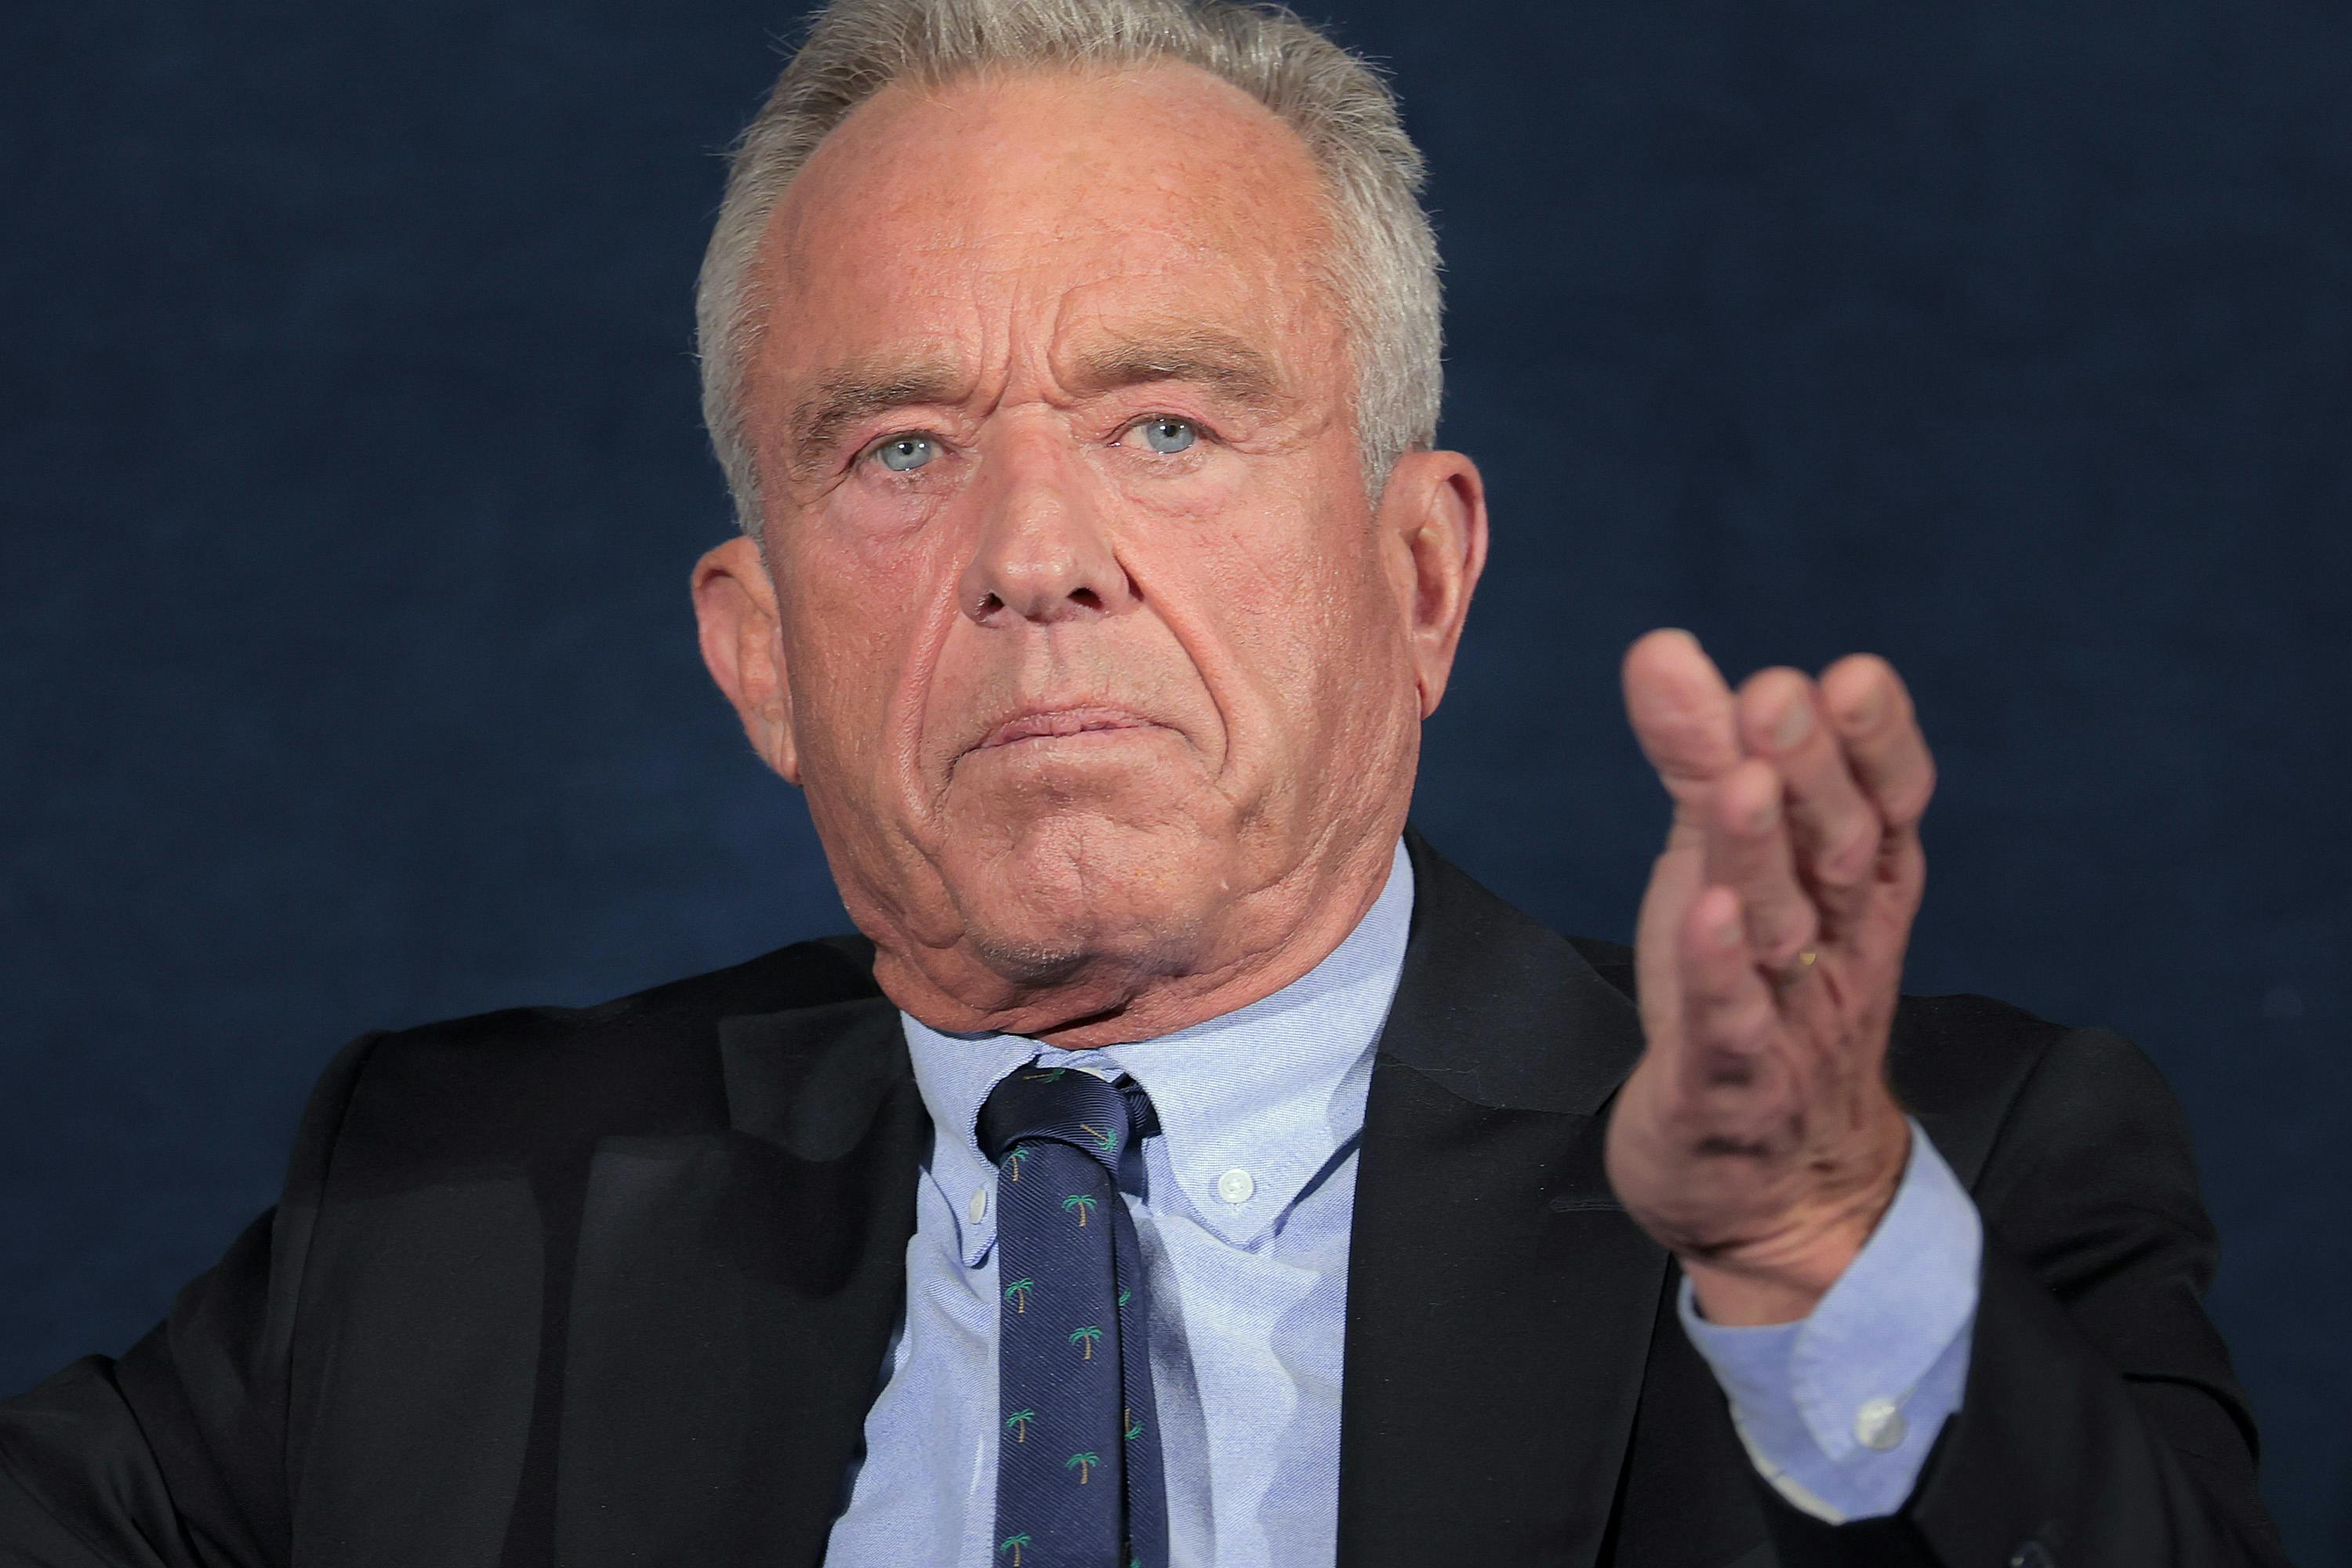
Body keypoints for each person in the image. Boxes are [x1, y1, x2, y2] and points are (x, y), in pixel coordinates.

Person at [0, 2, 2291, 1564]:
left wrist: (1807, 1252)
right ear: (758, 648)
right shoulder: (445, 1213)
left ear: (1415, 576)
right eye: (899, 450)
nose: (1032, 560)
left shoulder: (1924, 1184)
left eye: (1168, 427)